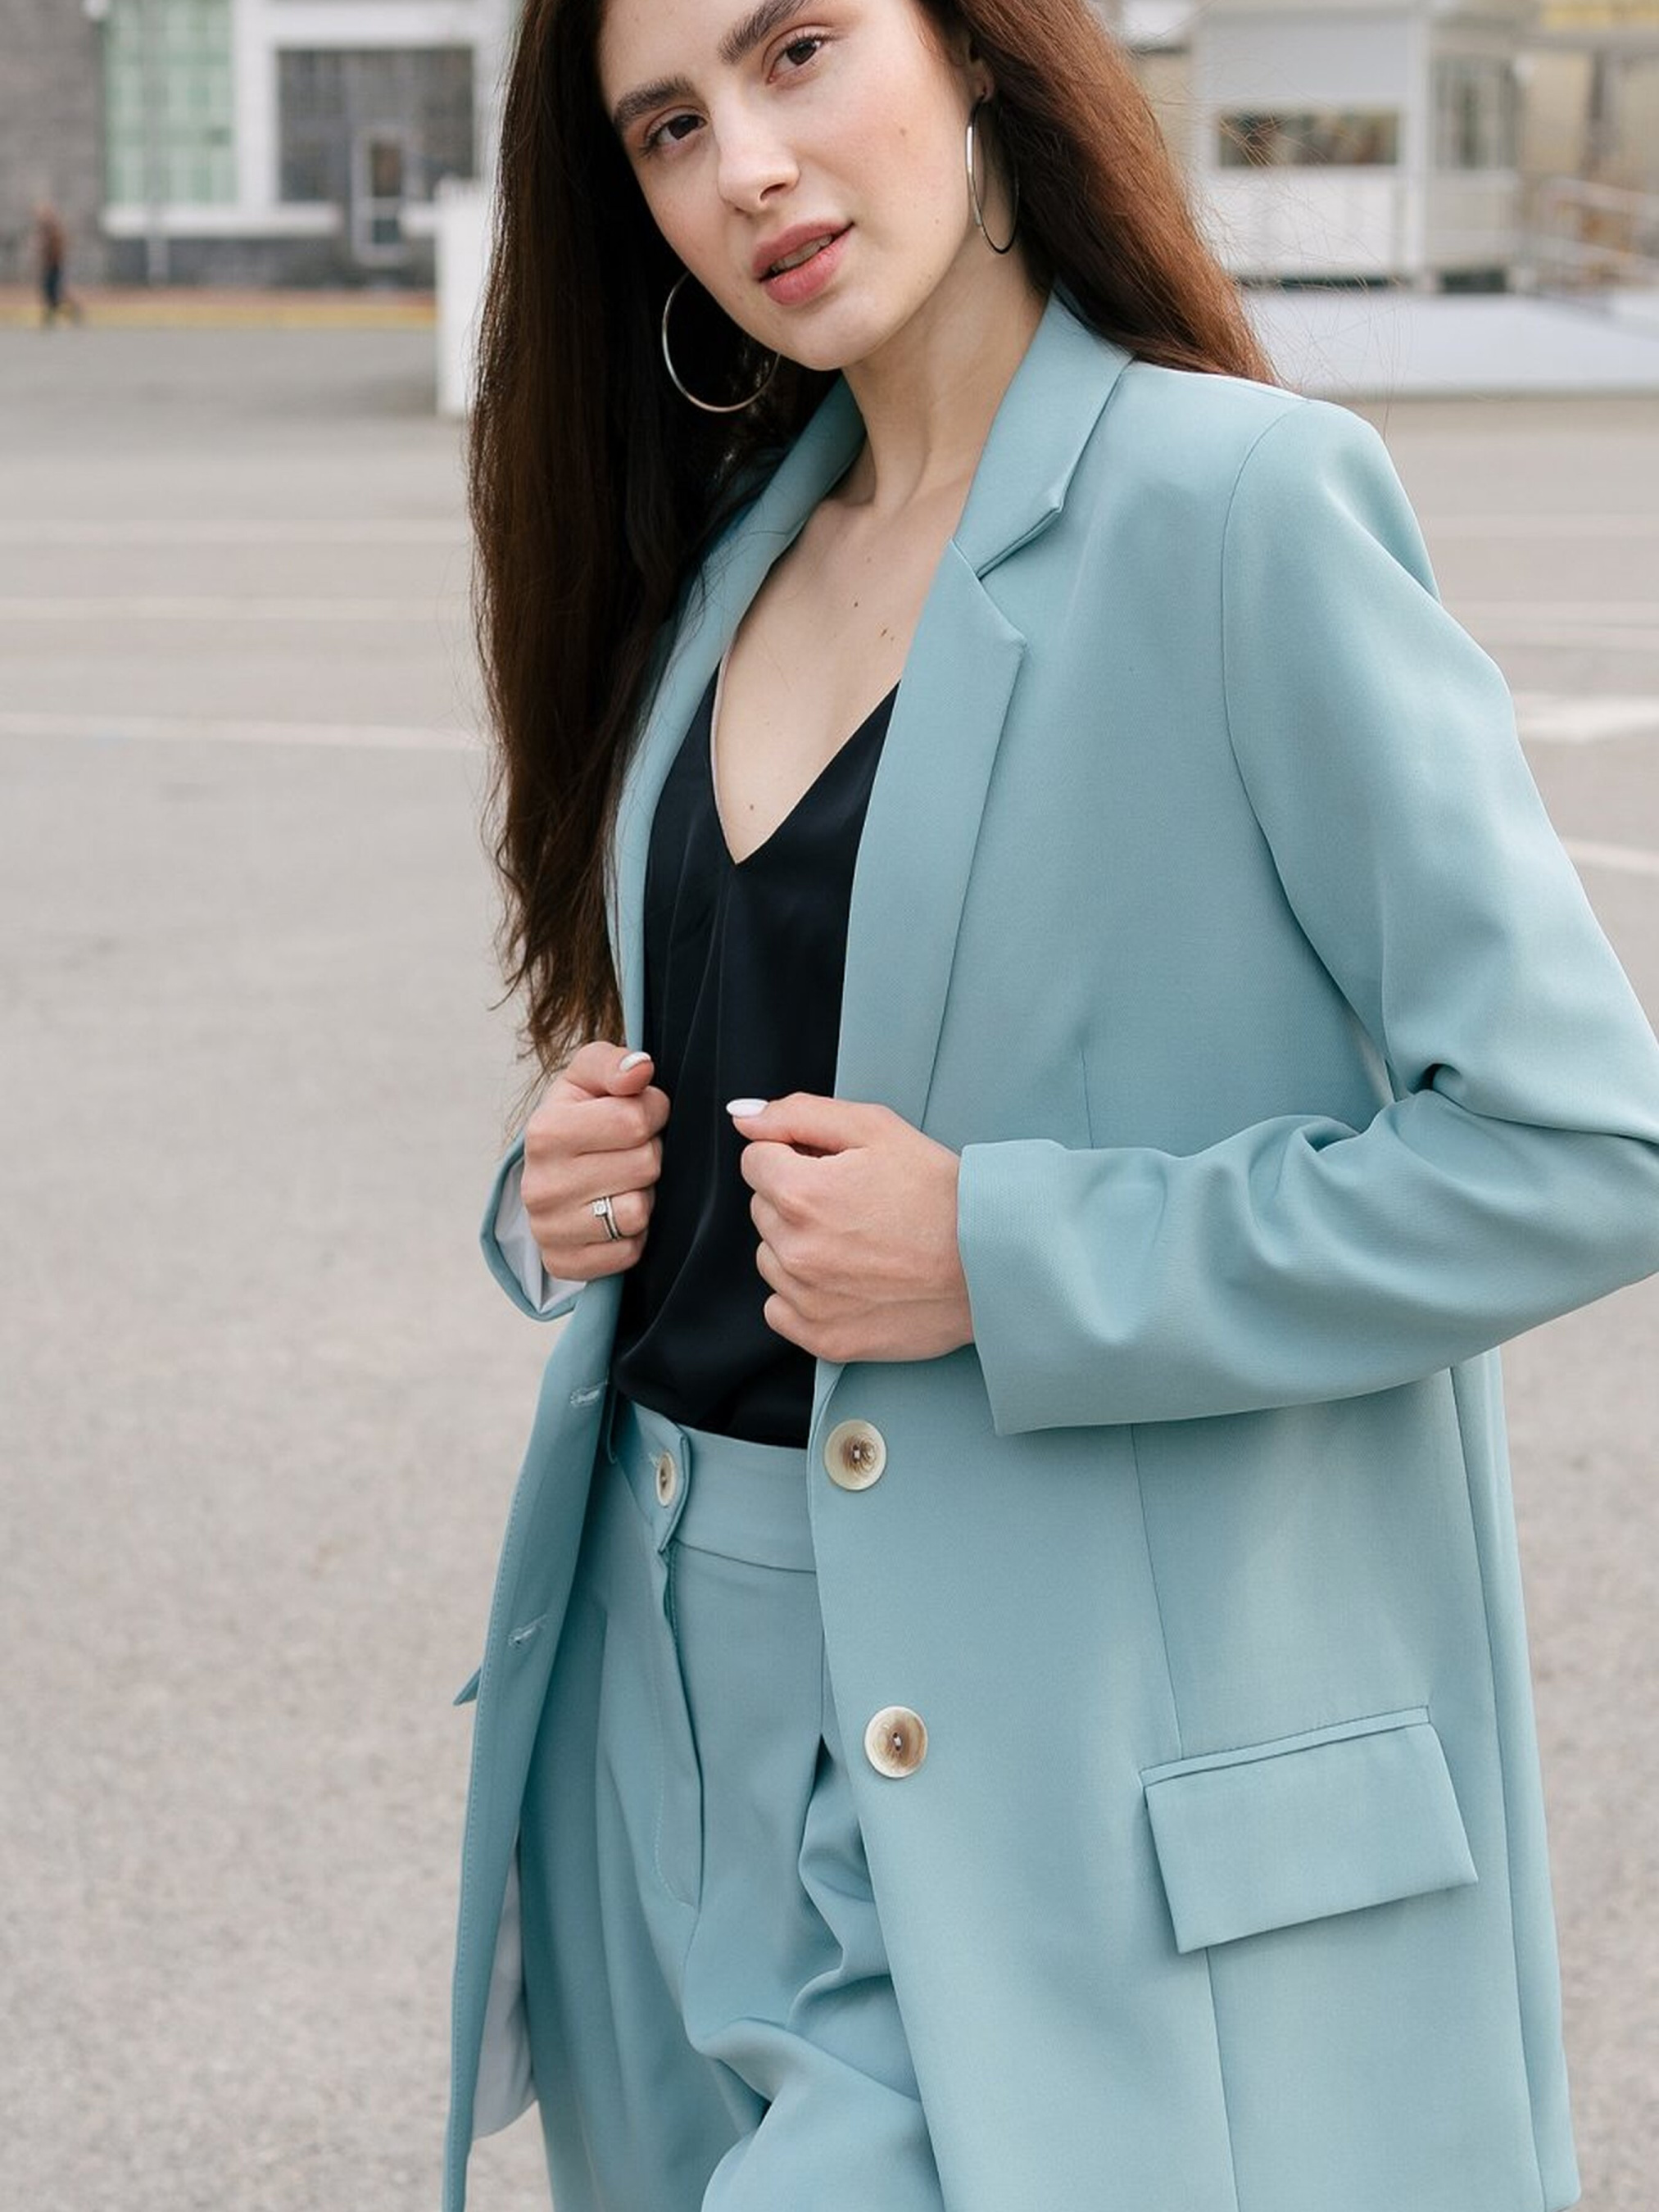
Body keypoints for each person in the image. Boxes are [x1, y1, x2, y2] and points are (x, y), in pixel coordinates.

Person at [444, 0, 1659, 2204]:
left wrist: (1005, 1256)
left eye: (798, 51)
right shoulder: (725, 567)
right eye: (669, 126)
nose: (748, 167)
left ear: (976, 52)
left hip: (1040, 1738)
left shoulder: (1237, 508)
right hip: (659, 1706)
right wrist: (571, 1182)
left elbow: (1582, 1147)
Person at [32, 202, 84, 328]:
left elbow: (57, 248)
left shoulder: (54, 230)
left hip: (54, 265)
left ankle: (71, 312)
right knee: (49, 292)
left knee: (56, 292)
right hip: (49, 265)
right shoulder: (45, 231)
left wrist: (52, 259)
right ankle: (54, 316)